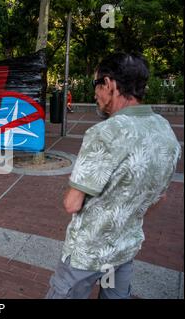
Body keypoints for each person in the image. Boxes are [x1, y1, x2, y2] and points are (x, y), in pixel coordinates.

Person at [45, 52, 181, 299]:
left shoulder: (105, 133)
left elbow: (71, 203)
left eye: (95, 85)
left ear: (109, 84)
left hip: (86, 255)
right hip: (123, 251)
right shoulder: (165, 132)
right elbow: (158, 198)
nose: (95, 94)